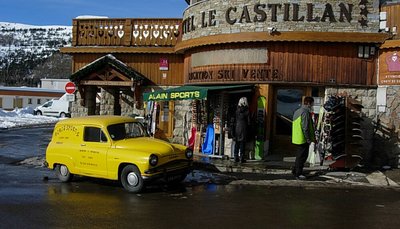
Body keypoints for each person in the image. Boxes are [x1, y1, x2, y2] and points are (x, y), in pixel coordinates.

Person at [292, 96, 315, 180]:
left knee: (299, 156)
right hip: (303, 138)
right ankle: (298, 173)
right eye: (312, 103)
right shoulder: (305, 112)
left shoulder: (297, 111)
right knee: (302, 157)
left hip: (297, 137)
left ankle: (295, 170)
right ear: (308, 103)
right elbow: (305, 127)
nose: (313, 105)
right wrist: (308, 139)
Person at [234, 97, 249, 163]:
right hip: (244, 128)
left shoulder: (237, 110)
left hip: (237, 128)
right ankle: (241, 158)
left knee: (237, 143)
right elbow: (249, 122)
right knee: (242, 143)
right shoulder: (247, 111)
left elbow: (234, 120)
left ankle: (235, 157)